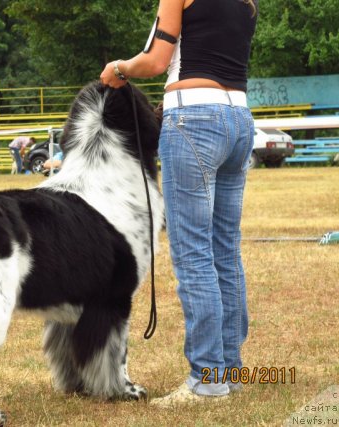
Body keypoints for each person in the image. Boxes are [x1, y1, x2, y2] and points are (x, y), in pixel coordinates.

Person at [100, 0, 258, 406]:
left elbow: (155, 61)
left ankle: (207, 379)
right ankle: (230, 370)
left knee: (193, 252)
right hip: (239, 119)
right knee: (225, 248)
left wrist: (118, 68)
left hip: (193, 118)